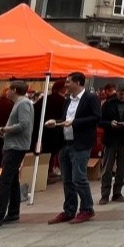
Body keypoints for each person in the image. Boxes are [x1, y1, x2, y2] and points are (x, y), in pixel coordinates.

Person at [45, 72, 101, 225]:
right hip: (66, 143)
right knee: (67, 179)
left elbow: (96, 117)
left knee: (79, 178)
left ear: (78, 82)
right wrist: (55, 122)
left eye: (68, 82)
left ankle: (87, 208)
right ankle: (69, 209)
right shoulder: (67, 100)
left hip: (81, 144)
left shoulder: (90, 98)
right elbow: (65, 120)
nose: (66, 85)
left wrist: (75, 122)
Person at [0, 81, 35, 231]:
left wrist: (2, 129)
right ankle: (13, 212)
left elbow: (23, 124)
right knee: (12, 181)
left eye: (9, 89)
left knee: (4, 181)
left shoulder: (23, 103)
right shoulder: (21, 103)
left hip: (16, 146)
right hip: (14, 145)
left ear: (14, 90)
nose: (6, 92)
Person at [99, 82, 124, 204]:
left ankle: (117, 192)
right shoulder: (108, 104)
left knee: (121, 168)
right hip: (110, 139)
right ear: (117, 92)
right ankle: (105, 194)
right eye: (121, 94)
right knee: (107, 167)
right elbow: (100, 121)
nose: (123, 97)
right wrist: (110, 123)